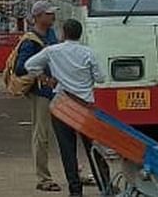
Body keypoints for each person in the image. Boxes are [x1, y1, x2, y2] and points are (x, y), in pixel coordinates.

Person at [25, 19, 106, 197]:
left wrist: (47, 79)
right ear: (80, 34)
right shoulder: (89, 53)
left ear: (63, 33)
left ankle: (75, 191)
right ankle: (105, 185)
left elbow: (29, 65)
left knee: (67, 150)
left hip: (63, 107)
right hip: (85, 108)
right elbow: (101, 78)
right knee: (93, 147)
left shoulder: (53, 51)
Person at [15, 0, 61, 193]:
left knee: (61, 135)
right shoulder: (29, 41)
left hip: (55, 91)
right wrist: (42, 76)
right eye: (49, 14)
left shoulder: (50, 33)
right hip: (40, 93)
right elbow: (20, 68)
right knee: (41, 135)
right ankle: (43, 178)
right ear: (39, 16)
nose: (53, 16)